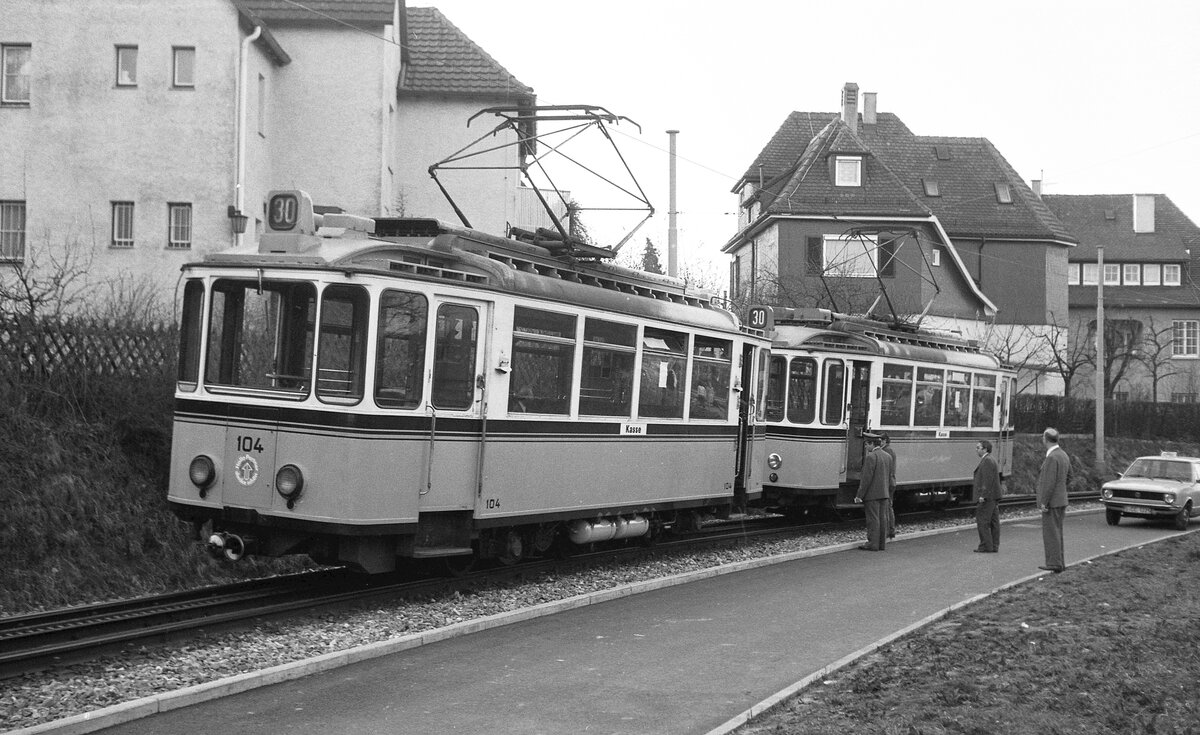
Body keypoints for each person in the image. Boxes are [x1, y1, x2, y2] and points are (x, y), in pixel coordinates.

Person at [1036, 427, 1070, 572]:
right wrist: (1060, 490)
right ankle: (1059, 562)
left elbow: (1048, 483)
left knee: (1051, 533)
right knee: (1057, 532)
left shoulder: (1051, 458)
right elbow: (1070, 477)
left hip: (1052, 502)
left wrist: (1043, 502)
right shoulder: (1063, 455)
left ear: (1045, 439)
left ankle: (1053, 563)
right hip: (1061, 500)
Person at [853, 433, 892, 551]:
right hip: (884, 493)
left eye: (866, 444)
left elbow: (866, 479)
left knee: (873, 520)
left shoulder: (871, 457)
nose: (865, 447)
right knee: (882, 518)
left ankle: (872, 544)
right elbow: (889, 476)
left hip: (872, 494)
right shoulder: (887, 456)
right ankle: (881, 544)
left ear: (872, 444)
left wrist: (859, 495)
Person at [973, 439, 1002, 553]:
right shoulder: (990, 460)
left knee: (983, 521)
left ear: (984, 449)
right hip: (993, 496)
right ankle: (994, 545)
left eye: (978, 447)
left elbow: (987, 480)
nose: (976, 450)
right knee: (994, 522)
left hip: (988, 497)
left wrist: (983, 496)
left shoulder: (987, 461)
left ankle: (986, 546)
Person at [881, 434, 897, 539]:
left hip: (887, 482)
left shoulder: (887, 451)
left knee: (886, 507)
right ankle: (890, 530)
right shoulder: (889, 450)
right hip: (890, 481)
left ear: (885, 441)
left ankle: (889, 530)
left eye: (880, 440)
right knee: (888, 507)